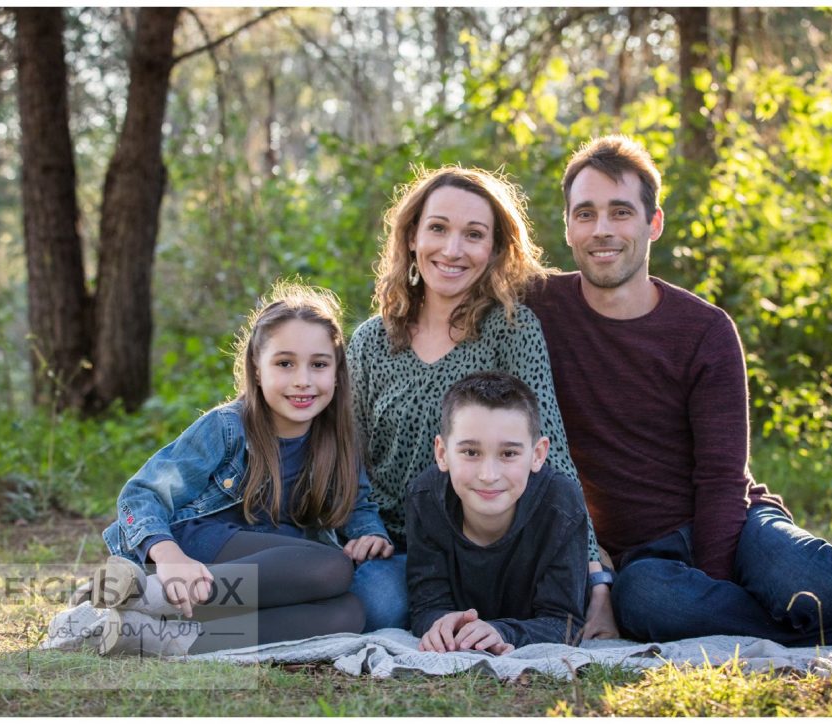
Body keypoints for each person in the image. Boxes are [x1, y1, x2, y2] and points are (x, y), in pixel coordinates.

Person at [525, 135, 832, 650]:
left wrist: (717, 584)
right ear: (568, 226)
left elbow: (721, 474)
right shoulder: (539, 308)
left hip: (733, 519)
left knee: (817, 579)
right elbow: (465, 277)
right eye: (586, 214)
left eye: (620, 212)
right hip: (642, 556)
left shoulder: (704, 329)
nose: (602, 231)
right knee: (648, 602)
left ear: (653, 222)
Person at [347, 166, 616, 636]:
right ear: (412, 237)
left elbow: (549, 448)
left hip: (486, 541)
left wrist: (594, 572)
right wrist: (361, 528)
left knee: (379, 607)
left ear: (493, 250)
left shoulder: (511, 330)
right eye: (438, 229)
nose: (452, 250)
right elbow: (346, 457)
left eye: (473, 235)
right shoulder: (372, 342)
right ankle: (203, 614)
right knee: (375, 602)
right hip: (393, 546)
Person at [83, 281, 393, 656]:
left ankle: (162, 638)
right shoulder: (227, 427)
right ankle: (154, 593)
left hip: (275, 565)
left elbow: (357, 505)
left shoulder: (338, 440)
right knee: (332, 567)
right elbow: (143, 493)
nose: (303, 380)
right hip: (201, 544)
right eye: (284, 363)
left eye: (319, 364)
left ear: (337, 371)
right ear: (257, 370)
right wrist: (169, 558)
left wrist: (370, 534)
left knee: (349, 613)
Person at [407, 371, 588, 653]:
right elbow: (426, 605)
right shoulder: (426, 497)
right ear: (442, 453)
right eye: (470, 452)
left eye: (508, 454)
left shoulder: (560, 505)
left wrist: (501, 631)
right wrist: (442, 624)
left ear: (538, 454)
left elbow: (565, 623)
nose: (489, 475)